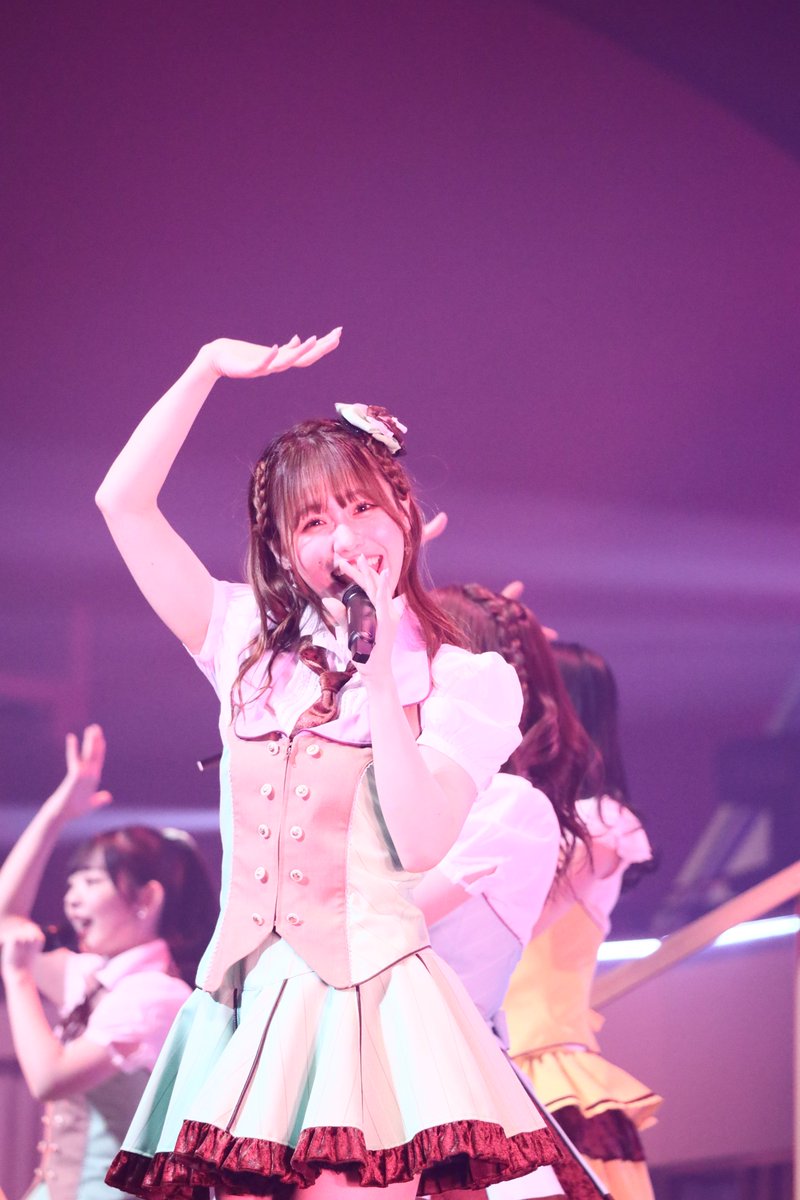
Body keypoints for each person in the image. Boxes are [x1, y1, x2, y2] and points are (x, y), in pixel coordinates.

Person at [93, 333, 564, 1200]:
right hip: (241, 1002)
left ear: (405, 513)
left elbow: (421, 843)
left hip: (364, 1009)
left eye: (361, 507)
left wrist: (379, 674)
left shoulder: (464, 681)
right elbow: (122, 503)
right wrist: (205, 366)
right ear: (281, 551)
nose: (343, 537)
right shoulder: (241, 641)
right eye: (312, 522)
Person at [414, 587, 602, 1200]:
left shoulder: (508, 807)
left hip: (449, 1095)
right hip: (378, 1082)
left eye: (418, 648)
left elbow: (386, 919)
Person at [0, 724, 218, 1200]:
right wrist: (57, 813)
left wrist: (17, 976)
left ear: (147, 899)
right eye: (72, 882)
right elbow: (4, 921)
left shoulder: (157, 997)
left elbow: (49, 1078)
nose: (72, 898)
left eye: (92, 883)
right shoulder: (94, 978)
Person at [503, 644, 661, 1200]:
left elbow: (514, 923)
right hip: (485, 1061)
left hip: (546, 1072)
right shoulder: (512, 817)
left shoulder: (601, 825)